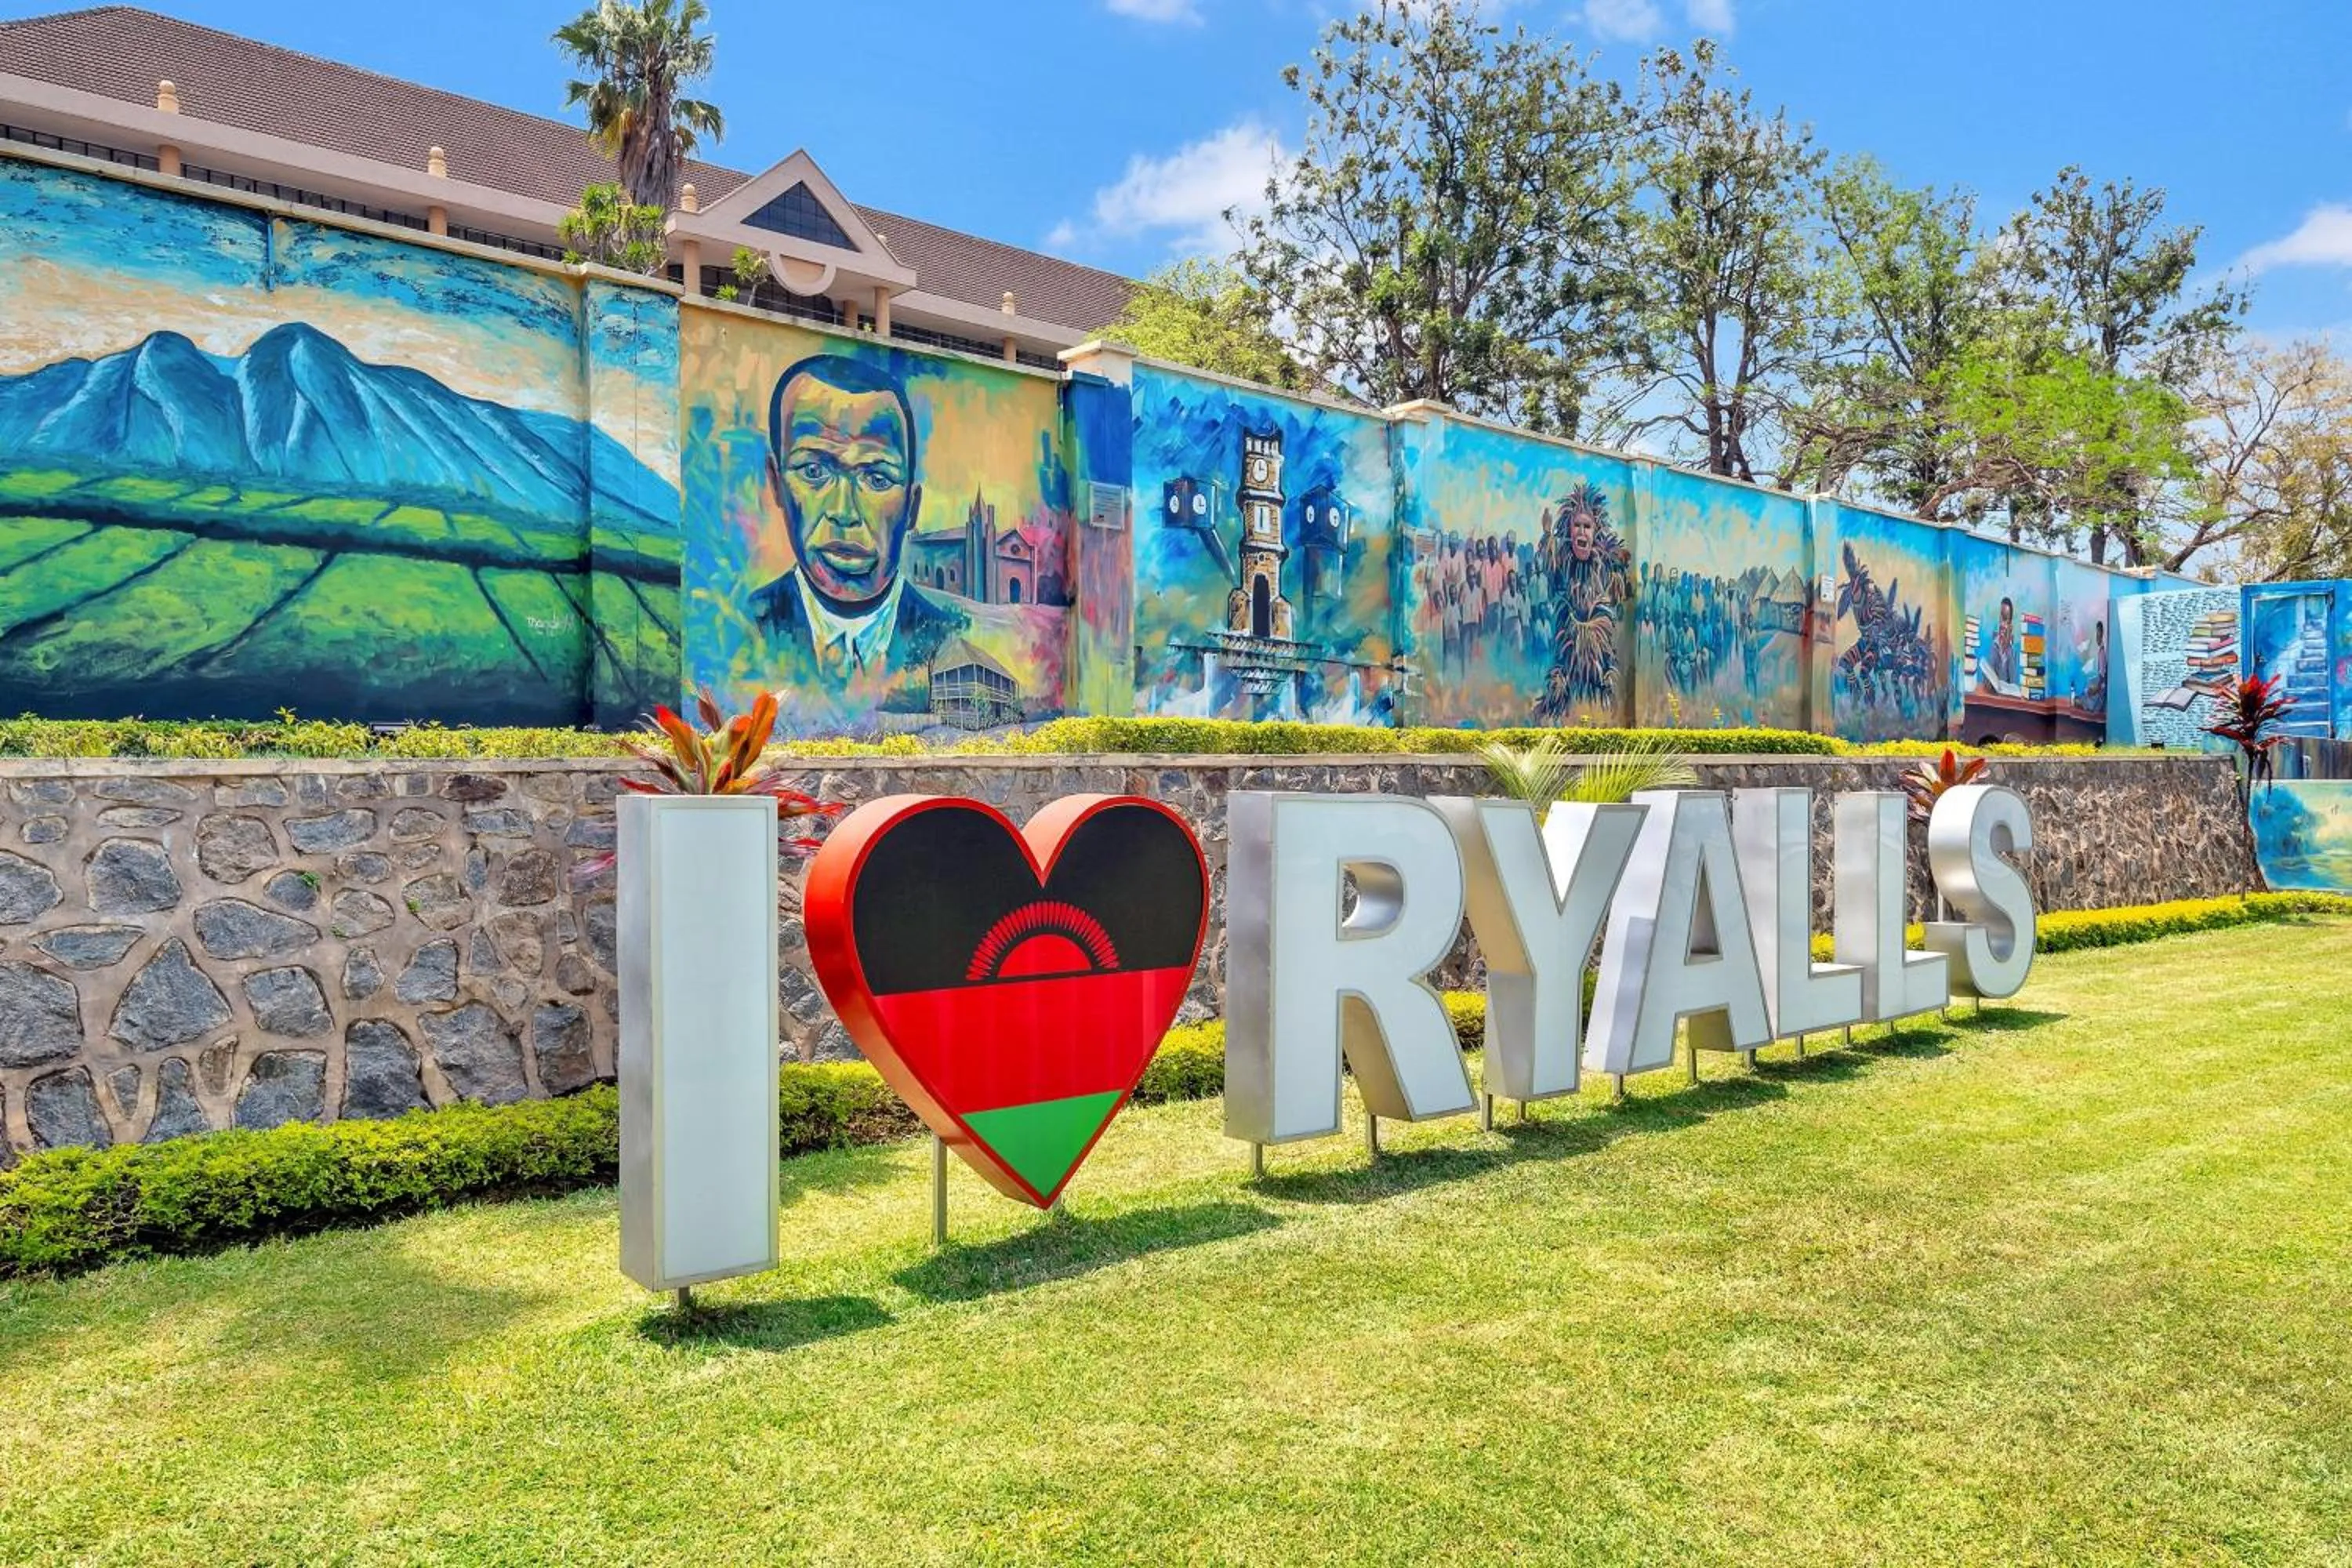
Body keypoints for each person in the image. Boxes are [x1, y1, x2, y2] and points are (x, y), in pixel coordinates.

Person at [746, 354, 967, 706]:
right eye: (814, 472)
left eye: (877, 479)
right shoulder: (745, 627)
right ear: (776, 484)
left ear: (912, 507)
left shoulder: (947, 640)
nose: (844, 513)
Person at [1983, 597, 2020, 691]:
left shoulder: (2012, 652)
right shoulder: (1994, 647)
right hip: (1993, 693)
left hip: (2006, 695)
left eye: (2006, 619)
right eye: (2002, 617)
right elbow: (1987, 677)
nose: (2003, 624)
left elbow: (2013, 683)